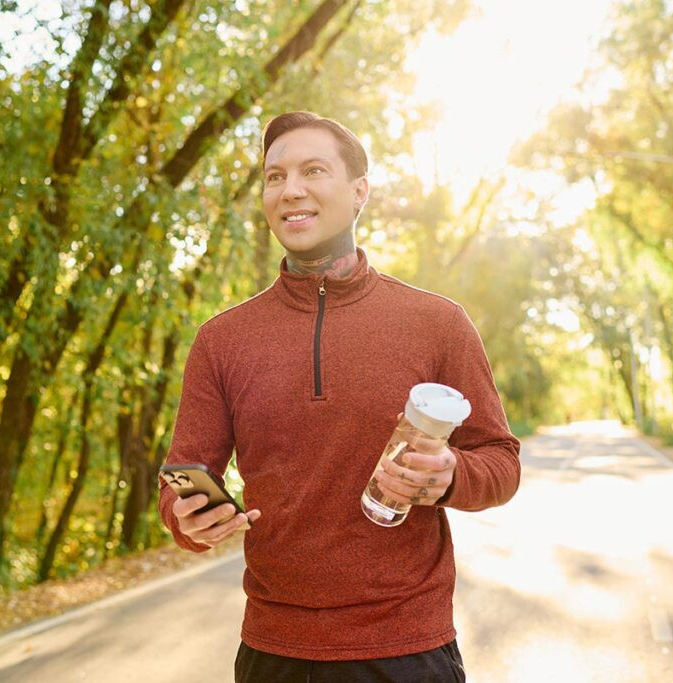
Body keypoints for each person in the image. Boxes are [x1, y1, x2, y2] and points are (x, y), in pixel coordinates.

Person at [158, 111, 521, 682]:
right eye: (274, 176)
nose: (290, 189)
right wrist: (188, 520)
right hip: (272, 654)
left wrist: (451, 475)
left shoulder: (438, 323)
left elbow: (501, 462)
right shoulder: (221, 341)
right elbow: (182, 477)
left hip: (408, 650)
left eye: (313, 170)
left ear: (359, 192)